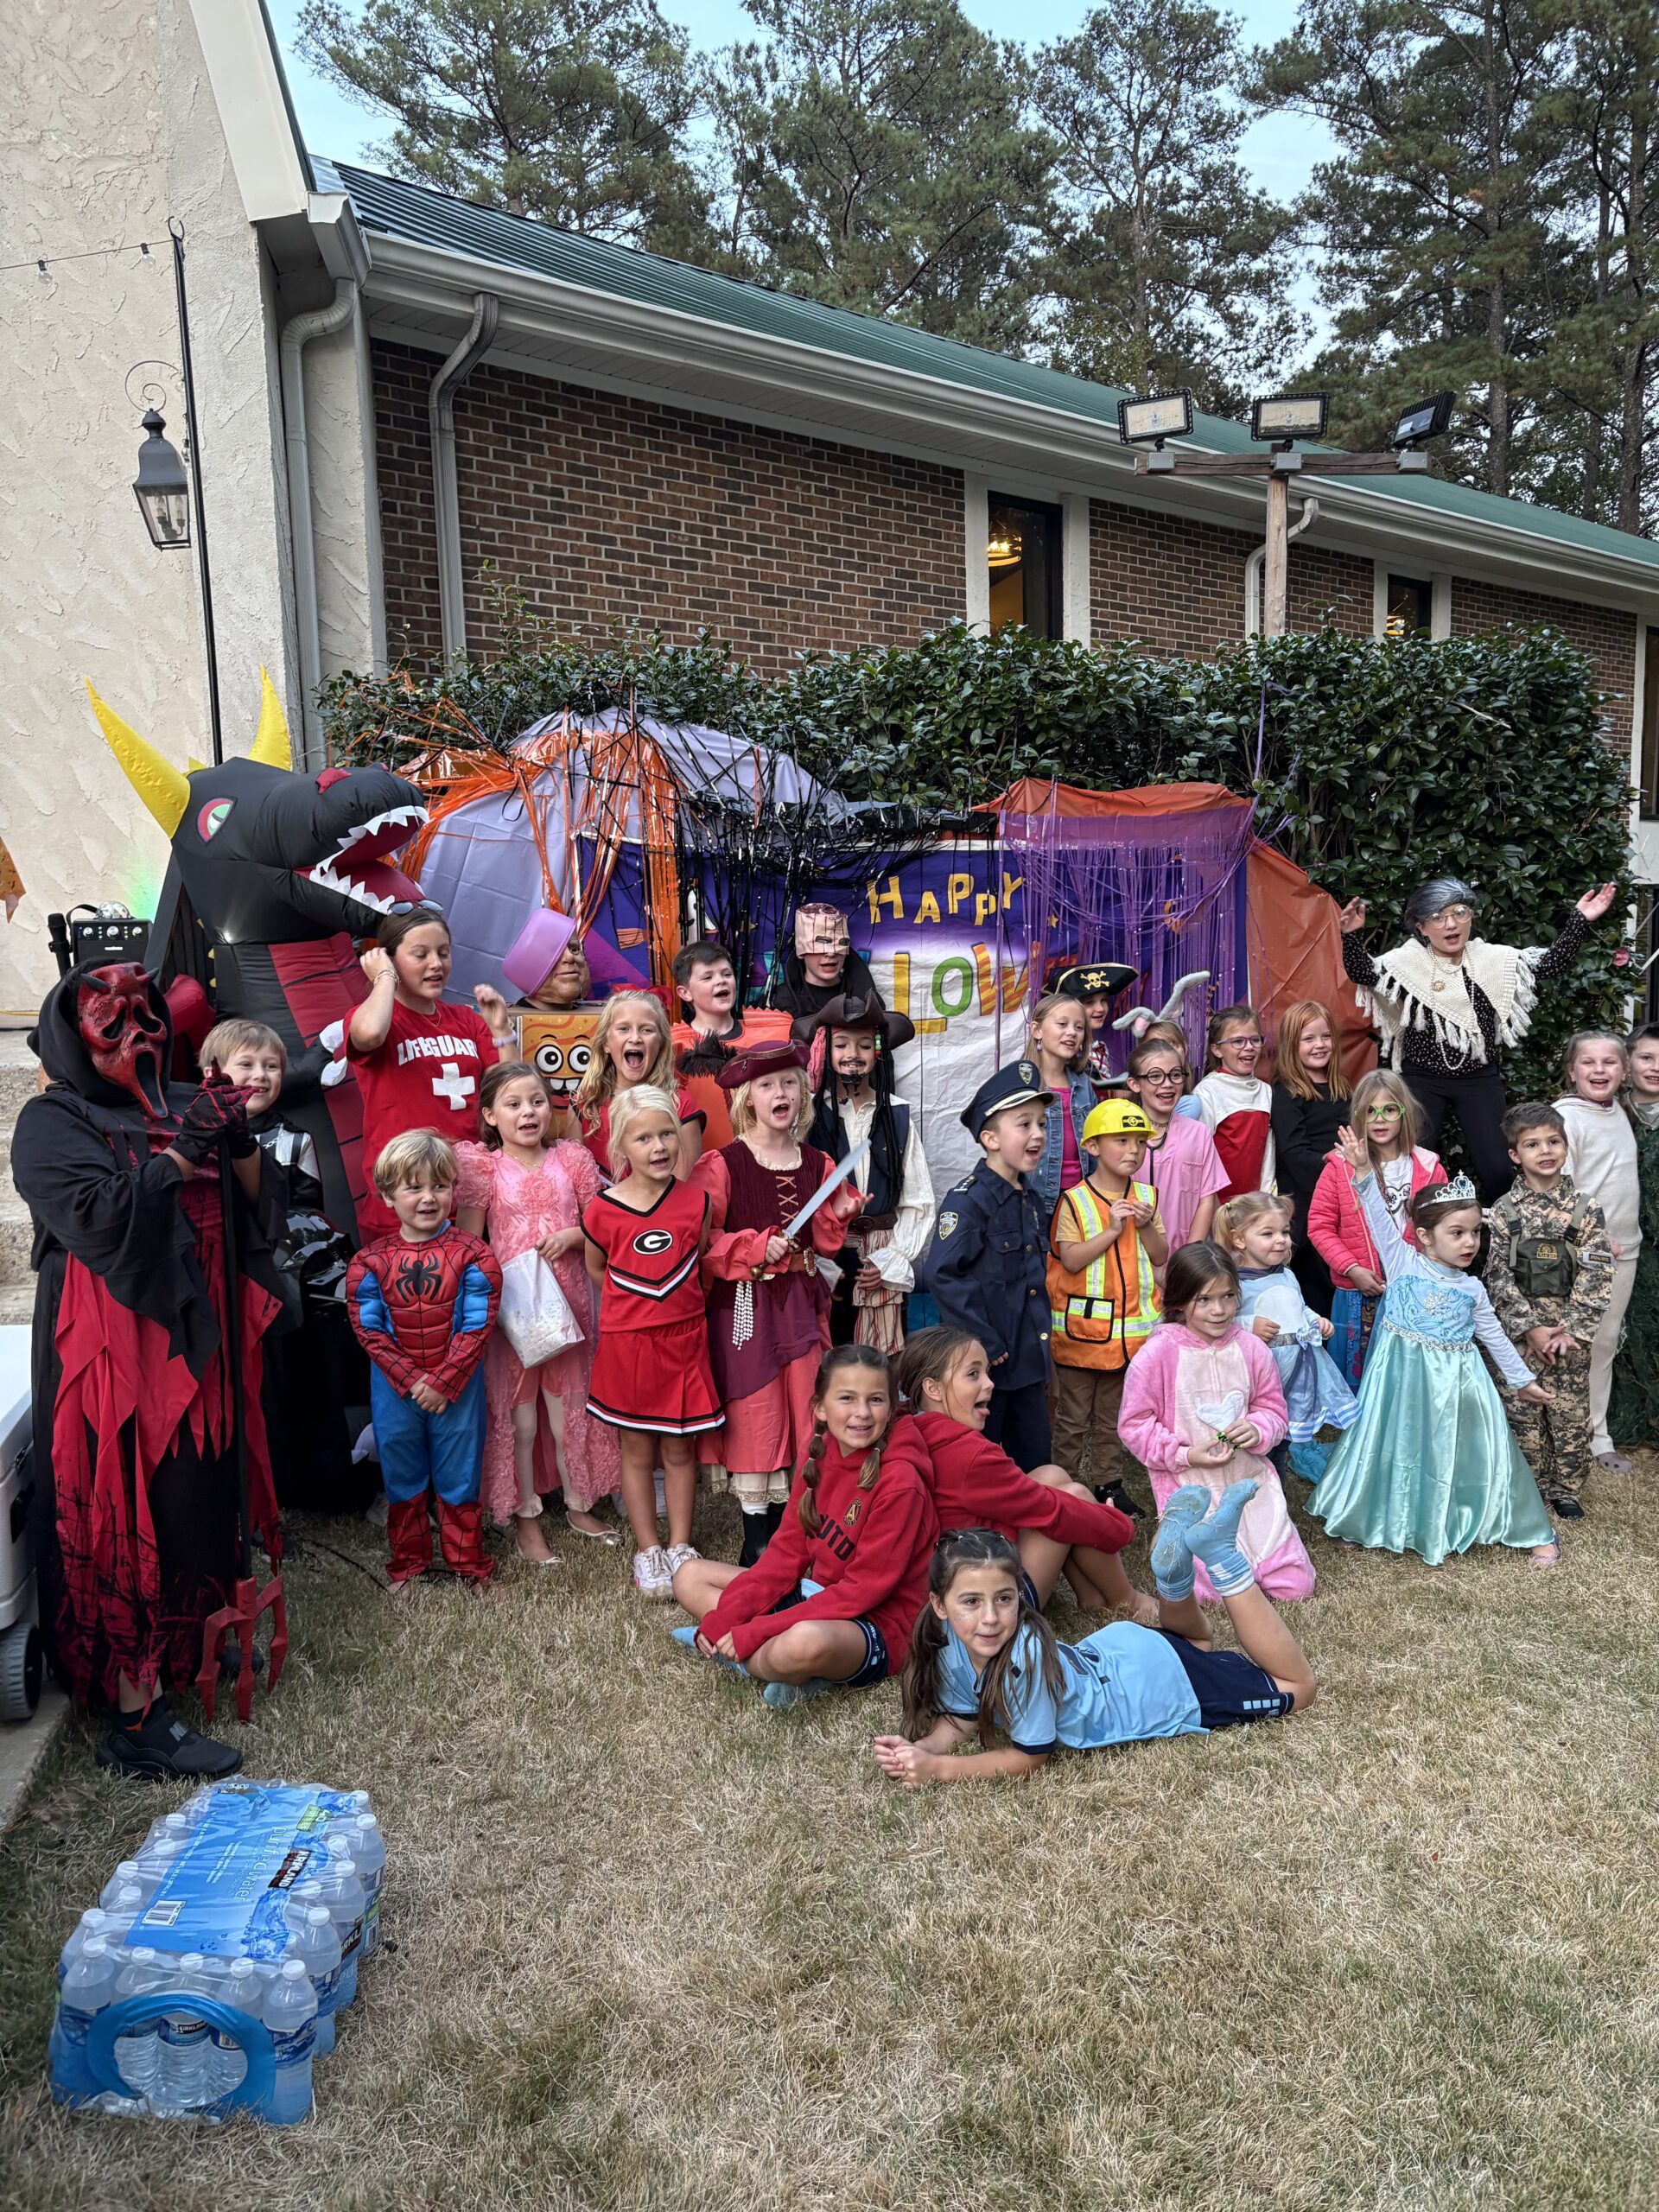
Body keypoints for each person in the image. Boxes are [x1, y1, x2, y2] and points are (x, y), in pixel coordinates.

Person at [14, 962, 287, 1779]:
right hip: (115, 1341)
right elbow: (101, 1220)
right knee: (128, 1495)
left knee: (194, 1490)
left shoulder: (177, 1102)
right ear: (73, 1031)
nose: (137, 1031)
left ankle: (185, 1645)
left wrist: (233, 1139)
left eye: (147, 1014)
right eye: (113, 1018)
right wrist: (184, 1153)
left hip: (197, 1328)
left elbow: (252, 1202)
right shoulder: (49, 1123)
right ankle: (137, 1715)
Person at [871, 1502, 1316, 1785]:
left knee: (1298, 1689)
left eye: (1004, 1599)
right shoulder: (947, 1641)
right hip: (1122, 1649)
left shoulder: (1019, 1659)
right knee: (1197, 1641)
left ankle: (1222, 1557)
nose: (990, 1618)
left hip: (1157, 1686)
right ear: (940, 1606)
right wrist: (924, 1748)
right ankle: (1174, 1578)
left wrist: (941, 1771)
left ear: (1019, 1598)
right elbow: (965, 1715)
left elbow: (1030, 1758)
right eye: (971, 1602)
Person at [1306, 1129, 1559, 1567]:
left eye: (1475, 1234)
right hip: (1399, 1383)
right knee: (1388, 1448)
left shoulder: (1473, 1289)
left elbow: (1494, 1336)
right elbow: (1376, 1214)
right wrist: (1363, 1170)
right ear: (1423, 1236)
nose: (1469, 1243)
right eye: (1457, 1233)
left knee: (1479, 1450)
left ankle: (1520, 1524)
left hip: (1460, 1388)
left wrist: (1521, 1380)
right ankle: (1363, 1516)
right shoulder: (1401, 1262)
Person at [671, 1344, 937, 1709]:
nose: (862, 1413)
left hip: (878, 1627)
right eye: (847, 1398)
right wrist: (727, 1617)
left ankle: (754, 1659)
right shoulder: (817, 1453)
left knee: (803, 1642)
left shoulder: (900, 1481)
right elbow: (785, 1555)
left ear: (891, 1408)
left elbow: (860, 1594)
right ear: (821, 1408)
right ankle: (789, 1666)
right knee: (688, 1576)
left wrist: (756, 1629)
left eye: (875, 1400)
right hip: (816, 1597)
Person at [1338, 875, 1617, 1202]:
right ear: (1421, 927)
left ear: (1471, 917)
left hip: (1479, 1078)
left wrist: (1580, 920)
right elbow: (1364, 974)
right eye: (1438, 917)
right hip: (1421, 1078)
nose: (1451, 924)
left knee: (1498, 1169)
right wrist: (1351, 937)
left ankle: (1504, 1241)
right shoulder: (1406, 963)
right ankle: (1409, 1240)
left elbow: (1553, 963)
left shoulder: (1492, 960)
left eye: (1460, 912)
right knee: (1410, 1166)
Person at [696, 1040, 864, 1565]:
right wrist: (752, 1246)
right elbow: (702, 1243)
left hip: (800, 1303)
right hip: (747, 1307)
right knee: (756, 1409)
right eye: (767, 1085)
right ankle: (757, 1535)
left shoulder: (819, 1161)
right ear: (747, 1097)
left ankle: (799, 1524)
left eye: (789, 1082)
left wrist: (841, 1213)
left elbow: (824, 1240)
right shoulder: (721, 1165)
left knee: (805, 1406)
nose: (780, 1093)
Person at [200, 1018, 366, 1511]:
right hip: (218, 1276)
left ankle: (305, 1484)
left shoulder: (296, 1141)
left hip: (282, 1281)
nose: (260, 1075)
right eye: (246, 1065)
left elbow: (307, 1212)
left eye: (272, 1066)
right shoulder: (195, 1133)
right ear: (214, 1071)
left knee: (295, 1379)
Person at [455, 1061, 616, 1560]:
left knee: (570, 1408)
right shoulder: (484, 1168)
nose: (529, 1112)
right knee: (520, 1418)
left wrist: (575, 1235)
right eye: (514, 1104)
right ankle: (526, 1513)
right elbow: (470, 1243)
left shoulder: (570, 1159)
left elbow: (604, 1221)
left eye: (538, 1101)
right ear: (490, 1114)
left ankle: (578, 1500)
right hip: (515, 1310)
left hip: (571, 1300)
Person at [896, 1328, 1156, 1622]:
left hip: (950, 1578)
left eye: (986, 1372)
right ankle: (1127, 1599)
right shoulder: (970, 1456)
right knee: (1074, 1499)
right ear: (933, 1389)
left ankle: (1092, 1597)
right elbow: (1053, 1512)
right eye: (973, 1375)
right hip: (989, 1604)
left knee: (1052, 1474)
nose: (989, 1384)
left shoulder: (914, 1429)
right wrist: (1120, 1526)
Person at [581, 1085, 721, 1599]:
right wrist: (636, 1312)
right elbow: (599, 1270)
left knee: (681, 1450)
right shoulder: (601, 1209)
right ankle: (649, 1549)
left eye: (667, 1134)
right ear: (622, 1147)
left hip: (685, 1341)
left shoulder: (697, 1202)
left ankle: (681, 1545)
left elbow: (699, 1263)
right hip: (628, 1345)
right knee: (636, 1449)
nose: (660, 1146)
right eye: (644, 1138)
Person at [345, 1132, 502, 1591]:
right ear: (389, 1195)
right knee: (402, 1477)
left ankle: (467, 1564)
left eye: (439, 1186)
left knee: (460, 1477)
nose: (428, 1198)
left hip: (458, 1390)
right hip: (396, 1393)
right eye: (414, 1188)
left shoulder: (475, 1255)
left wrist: (444, 1381)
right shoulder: (368, 1263)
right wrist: (415, 1382)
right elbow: (370, 1331)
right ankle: (408, 1565)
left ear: (453, 1190)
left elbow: (477, 1324)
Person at [1117, 1242, 1314, 1600]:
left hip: (1249, 1480)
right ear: (1178, 1300)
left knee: (1295, 1587)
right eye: (1204, 1300)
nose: (1219, 1310)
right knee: (1212, 1592)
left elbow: (1274, 1412)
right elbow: (1135, 1426)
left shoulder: (1252, 1348)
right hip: (1189, 1487)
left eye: (1228, 1296)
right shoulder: (1157, 1355)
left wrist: (1257, 1429)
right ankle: (1175, 1541)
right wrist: (1186, 1455)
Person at [347, 906, 515, 1238]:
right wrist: (383, 979)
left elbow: (508, 1091)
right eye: (420, 955)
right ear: (390, 959)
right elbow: (368, 1035)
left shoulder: (466, 1019)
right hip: (401, 1201)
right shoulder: (375, 1017)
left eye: (443, 953)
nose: (436, 964)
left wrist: (501, 1030)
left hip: (467, 1200)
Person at [919, 1063, 1053, 1471]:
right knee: (984, 1459)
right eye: (1024, 1124)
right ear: (990, 1138)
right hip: (987, 1366)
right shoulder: (969, 1202)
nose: (1038, 1135)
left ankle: (1033, 1528)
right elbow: (942, 1274)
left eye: (1042, 1123)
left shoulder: (1029, 1199)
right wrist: (985, 1345)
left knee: (1032, 1456)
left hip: (1028, 1358)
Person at [1484, 1102, 1613, 1519]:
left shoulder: (1585, 1208)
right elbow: (1497, 1276)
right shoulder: (1504, 1211)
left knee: (1568, 1413)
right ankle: (1528, 1485)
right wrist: (1529, 1330)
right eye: (1533, 1144)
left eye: (1554, 1141)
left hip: (1568, 1337)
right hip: (1519, 1340)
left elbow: (1597, 1273)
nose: (1546, 1150)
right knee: (1520, 1413)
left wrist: (1569, 1331)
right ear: (1514, 1155)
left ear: (1566, 1147)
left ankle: (1566, 1489)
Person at [1046, 1098, 1166, 1516]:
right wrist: (1113, 1231)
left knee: (1111, 1420)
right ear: (1093, 1146)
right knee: (1073, 1420)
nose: (1133, 1150)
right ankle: (1059, 1486)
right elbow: (1073, 1259)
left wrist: (1147, 1225)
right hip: (1082, 1337)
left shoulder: (1147, 1196)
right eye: (1122, 1140)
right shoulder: (1074, 1201)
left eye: (1139, 1142)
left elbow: (1160, 1255)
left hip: (1128, 1341)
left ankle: (1108, 1486)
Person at [796, 994, 932, 1351]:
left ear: (878, 1053)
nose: (852, 1054)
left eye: (863, 1045)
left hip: (882, 1253)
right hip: (830, 1258)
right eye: (841, 1044)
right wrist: (826, 1264)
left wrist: (890, 1262)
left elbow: (919, 1202)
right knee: (832, 1356)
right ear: (826, 1050)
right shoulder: (807, 1118)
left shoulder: (897, 1115)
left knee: (884, 1362)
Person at [1306, 1068, 1446, 1388]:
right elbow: (1319, 1226)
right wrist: (1352, 1268)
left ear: (1404, 1113)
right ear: (1357, 1116)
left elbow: (1443, 1227)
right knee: (1358, 1381)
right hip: (1357, 1294)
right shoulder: (1339, 1167)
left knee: (1406, 1380)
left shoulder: (1428, 1166)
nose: (1379, 1119)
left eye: (1389, 1110)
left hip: (1415, 1292)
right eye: (1369, 1111)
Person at [1213, 1192, 1358, 1478]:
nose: (1281, 1239)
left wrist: (1316, 1320)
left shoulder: (1287, 1275)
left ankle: (1275, 1487)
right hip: (1260, 1374)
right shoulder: (1234, 1281)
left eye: (1284, 1231)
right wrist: (1248, 1325)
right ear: (1239, 1239)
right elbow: (1218, 1322)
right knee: (1254, 1435)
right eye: (1268, 1234)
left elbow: (1298, 1307)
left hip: (1295, 1371)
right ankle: (1244, 1485)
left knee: (1281, 1433)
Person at [1554, 1030, 1642, 1472]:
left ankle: (1597, 1436)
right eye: (1588, 1062)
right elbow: (1558, 1183)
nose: (1599, 1070)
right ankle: (1557, 1436)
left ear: (1624, 1072)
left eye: (1610, 1062)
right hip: (1585, 1253)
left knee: (1605, 1344)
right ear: (1572, 1071)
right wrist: (1589, 1234)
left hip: (1625, 1250)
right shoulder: (1566, 1117)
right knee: (1571, 1344)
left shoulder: (1619, 1113)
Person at [1268, 999, 1351, 1318]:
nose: (1320, 1045)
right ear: (1292, 1045)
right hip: (1308, 1202)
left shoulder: (1343, 1088)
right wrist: (1332, 1165)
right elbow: (1293, 1152)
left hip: (1346, 1194)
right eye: (1309, 1039)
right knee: (1314, 1283)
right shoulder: (1287, 1092)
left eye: (1325, 1036)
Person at [670, 936, 793, 1151]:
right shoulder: (673, 1047)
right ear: (685, 992)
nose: (721, 981)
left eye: (727, 974)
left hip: (767, 1164)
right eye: (707, 977)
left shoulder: (774, 1033)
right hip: (704, 1169)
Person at [572, 990, 702, 1180]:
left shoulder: (680, 1106)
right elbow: (575, 1185)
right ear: (606, 1043)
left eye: (646, 1030)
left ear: (661, 1044)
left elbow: (681, 1189)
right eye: (623, 1028)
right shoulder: (583, 1104)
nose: (635, 1038)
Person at [1122, 1036, 1228, 1262]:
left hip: (1183, 1254)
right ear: (1134, 1084)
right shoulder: (1120, 1133)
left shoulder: (1198, 1133)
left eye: (1175, 1075)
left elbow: (1206, 1200)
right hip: (1131, 1255)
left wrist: (1189, 1259)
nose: (1168, 1084)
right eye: (1155, 1076)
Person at [1611, 1024, 1659, 1452]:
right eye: (1647, 1057)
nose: (1655, 1067)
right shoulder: (1613, 1111)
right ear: (1629, 1064)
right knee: (1625, 1329)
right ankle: (1628, 1417)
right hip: (1623, 1240)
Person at [1020, 993, 1096, 1215]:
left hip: (1080, 1201)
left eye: (1079, 1027)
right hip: (1033, 1204)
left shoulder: (1083, 1086)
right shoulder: (1022, 1084)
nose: (1072, 1032)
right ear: (1037, 1030)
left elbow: (1094, 1148)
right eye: (1062, 1024)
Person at [1193, 1005, 1274, 1199]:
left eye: (1255, 1040)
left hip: (1254, 1204)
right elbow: (1199, 1156)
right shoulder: (1207, 1091)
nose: (1249, 1047)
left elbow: (1268, 1151)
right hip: (1219, 1205)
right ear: (1217, 1049)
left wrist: (1267, 1197)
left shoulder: (1266, 1090)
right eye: (1238, 1041)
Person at [772, 902, 884, 1022]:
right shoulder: (782, 1001)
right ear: (801, 949)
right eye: (822, 942)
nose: (831, 953)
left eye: (842, 943)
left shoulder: (867, 1000)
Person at [1051, 962, 1138, 1087]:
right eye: (1089, 1002)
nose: (1101, 1008)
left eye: (1104, 1000)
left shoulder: (1098, 1048)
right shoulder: (1066, 1052)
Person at [500, 908, 596, 1013]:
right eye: (555, 951)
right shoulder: (505, 1026)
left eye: (574, 949)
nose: (570, 957)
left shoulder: (607, 1019)